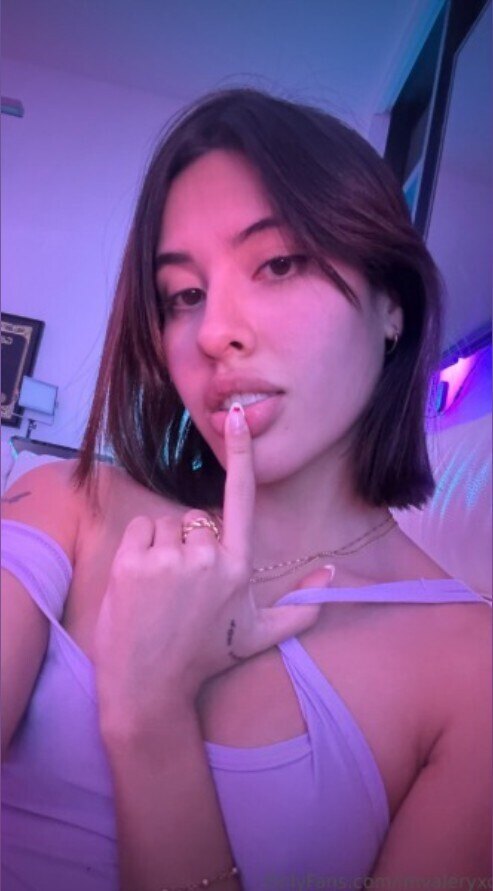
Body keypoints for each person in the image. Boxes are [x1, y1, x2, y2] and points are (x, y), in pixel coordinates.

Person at [1, 87, 491, 891]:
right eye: (183, 295)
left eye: (278, 263)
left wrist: (150, 712)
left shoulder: (472, 670)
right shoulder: (64, 504)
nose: (213, 331)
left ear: (391, 305)